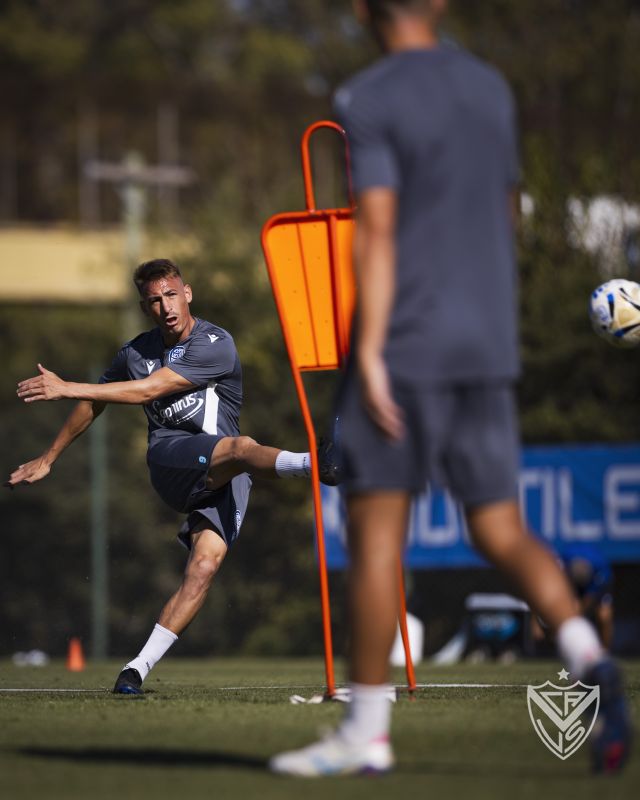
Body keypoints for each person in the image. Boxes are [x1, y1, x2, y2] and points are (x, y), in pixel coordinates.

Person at [270, 0, 631, 776]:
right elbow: (506, 217)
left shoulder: (368, 96)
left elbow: (376, 229)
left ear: (363, 10)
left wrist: (369, 351)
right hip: (486, 343)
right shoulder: (490, 87)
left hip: (407, 343)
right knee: (500, 527)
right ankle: (590, 657)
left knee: (375, 538)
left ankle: (365, 735)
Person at [6, 258, 338, 695]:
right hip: (172, 461)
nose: (165, 307)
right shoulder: (134, 353)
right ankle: (317, 465)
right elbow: (95, 402)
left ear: (188, 293)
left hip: (226, 473)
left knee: (203, 567)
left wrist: (68, 386)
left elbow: (150, 389)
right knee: (241, 448)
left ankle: (135, 670)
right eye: (154, 301)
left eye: (171, 295)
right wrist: (49, 457)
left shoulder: (215, 343)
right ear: (145, 308)